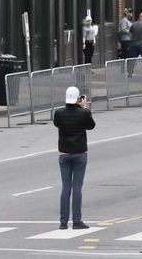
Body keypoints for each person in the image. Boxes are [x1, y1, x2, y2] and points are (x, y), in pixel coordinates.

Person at [53, 86, 96, 230]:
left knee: (66, 188)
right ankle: (77, 220)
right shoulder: (82, 114)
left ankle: (63, 222)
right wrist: (84, 108)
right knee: (77, 188)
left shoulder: (59, 113)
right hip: (79, 153)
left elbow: (56, 124)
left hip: (64, 154)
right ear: (78, 98)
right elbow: (91, 125)